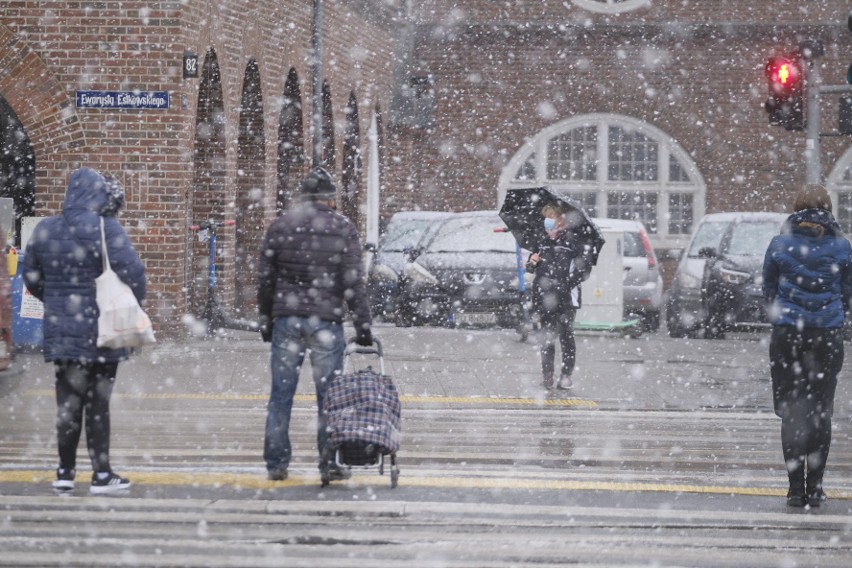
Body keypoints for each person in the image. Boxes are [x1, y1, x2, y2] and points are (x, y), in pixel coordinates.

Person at [24, 167, 146, 494]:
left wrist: (56, 301)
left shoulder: (46, 228)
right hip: (104, 330)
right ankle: (102, 474)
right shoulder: (108, 229)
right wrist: (131, 301)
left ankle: (64, 473)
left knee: (67, 403)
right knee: (98, 404)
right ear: (100, 194)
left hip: (63, 331)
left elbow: (31, 276)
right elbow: (134, 273)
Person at [257, 165, 373, 482]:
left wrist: (267, 319)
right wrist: (363, 326)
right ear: (331, 200)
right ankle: (329, 462)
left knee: (281, 396)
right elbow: (354, 282)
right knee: (329, 398)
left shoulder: (281, 226)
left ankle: (277, 463)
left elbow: (265, 280)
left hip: (287, 319)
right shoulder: (343, 228)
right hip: (326, 321)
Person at [762, 184, 852, 508]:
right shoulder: (843, 247)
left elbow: (768, 289)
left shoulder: (779, 244)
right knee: (820, 411)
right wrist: (831, 314)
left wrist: (785, 313)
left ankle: (794, 489)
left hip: (789, 335)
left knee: (791, 411)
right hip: (826, 335)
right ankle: (815, 488)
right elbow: (847, 291)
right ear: (828, 209)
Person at [526, 204, 597, 390]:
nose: (547, 221)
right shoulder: (542, 241)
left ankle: (566, 376)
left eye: (551, 216)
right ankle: (547, 376)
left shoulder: (574, 241)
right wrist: (532, 262)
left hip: (566, 299)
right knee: (546, 337)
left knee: (566, 337)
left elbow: (583, 271)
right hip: (544, 296)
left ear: (561, 219)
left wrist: (563, 285)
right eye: (546, 217)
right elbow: (531, 268)